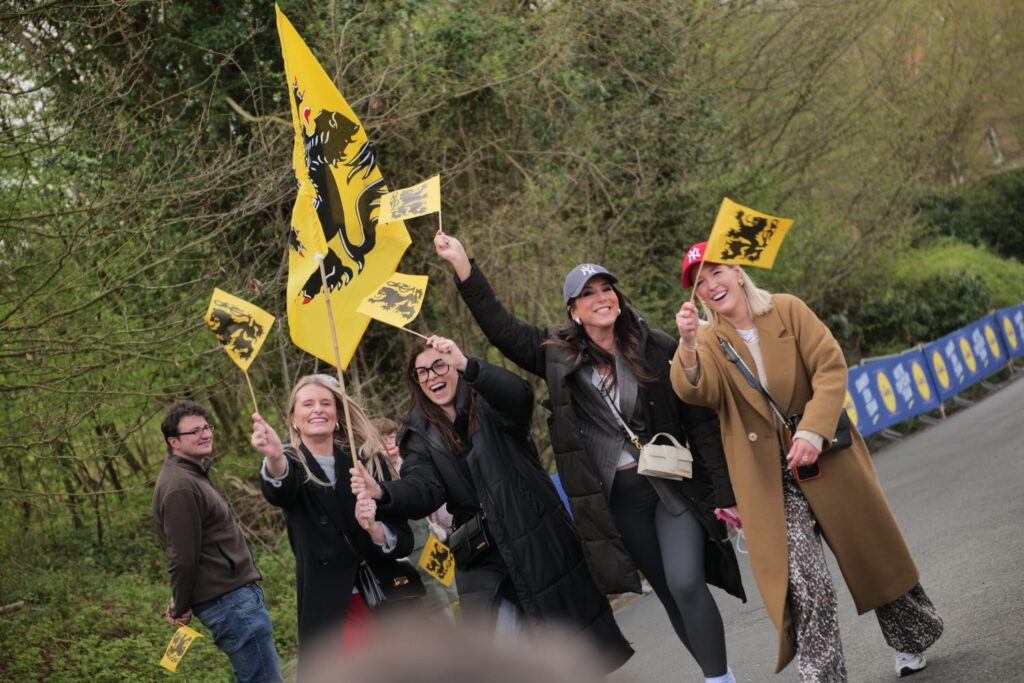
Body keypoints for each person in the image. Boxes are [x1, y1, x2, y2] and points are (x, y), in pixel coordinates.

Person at [433, 233, 745, 683]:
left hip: (671, 487)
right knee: (669, 592)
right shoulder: (558, 357)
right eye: (588, 294)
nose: (601, 298)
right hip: (619, 499)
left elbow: (699, 421)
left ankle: (719, 678)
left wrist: (725, 493)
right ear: (573, 312)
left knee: (686, 581)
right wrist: (463, 266)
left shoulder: (653, 345)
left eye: (606, 289)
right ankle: (717, 674)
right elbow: (502, 328)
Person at [672, 242, 943, 681]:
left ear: (737, 271)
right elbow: (695, 391)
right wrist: (685, 344)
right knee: (803, 580)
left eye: (715, 273)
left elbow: (830, 367)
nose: (710, 286)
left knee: (869, 554)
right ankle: (822, 675)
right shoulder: (706, 340)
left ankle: (912, 637)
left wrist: (813, 429)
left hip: (826, 453)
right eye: (699, 283)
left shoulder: (788, 309)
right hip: (768, 478)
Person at [351, 336, 633, 673]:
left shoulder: (490, 403)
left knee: (572, 652)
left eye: (438, 365)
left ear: (454, 365)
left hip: (535, 536)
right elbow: (423, 489)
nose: (431, 376)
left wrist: (469, 364)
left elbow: (520, 395)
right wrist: (383, 492)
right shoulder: (417, 432)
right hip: (481, 554)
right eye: (421, 372)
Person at [250, 374, 415, 671]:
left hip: (385, 599)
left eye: (326, 403)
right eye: (308, 404)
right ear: (294, 418)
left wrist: (374, 529)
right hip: (332, 609)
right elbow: (280, 488)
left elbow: (403, 538)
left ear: (337, 415)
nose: (318, 409)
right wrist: (274, 457)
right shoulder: (292, 465)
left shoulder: (366, 462)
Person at [153, 400, 283, 683]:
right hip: (230, 601)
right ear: (174, 441)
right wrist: (180, 603)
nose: (205, 434)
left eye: (206, 427)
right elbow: (182, 556)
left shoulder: (191, 474)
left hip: (234, 599)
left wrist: (180, 597)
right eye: (194, 431)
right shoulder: (180, 486)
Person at [370, 415, 459, 617]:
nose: (390, 443)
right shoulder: (375, 474)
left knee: (452, 589)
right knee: (432, 602)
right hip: (409, 549)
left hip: (431, 539)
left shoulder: (410, 462)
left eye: (392, 436)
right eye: (383, 438)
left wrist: (439, 526)